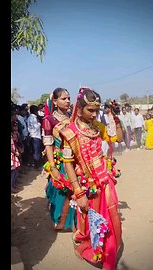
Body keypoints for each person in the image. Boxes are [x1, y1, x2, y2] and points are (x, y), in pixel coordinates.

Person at [60, 88, 122, 270]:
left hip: (106, 183)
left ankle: (109, 257)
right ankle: (92, 248)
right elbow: (68, 163)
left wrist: (116, 121)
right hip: (88, 186)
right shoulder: (69, 133)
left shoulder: (97, 128)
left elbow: (117, 138)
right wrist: (78, 192)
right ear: (79, 109)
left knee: (110, 221)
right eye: (90, 110)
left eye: (97, 110)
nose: (95, 115)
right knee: (91, 222)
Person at [41, 87, 77, 231]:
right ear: (55, 101)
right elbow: (48, 145)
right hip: (58, 161)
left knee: (75, 190)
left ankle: (71, 221)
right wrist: (53, 167)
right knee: (59, 192)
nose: (68, 101)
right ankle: (58, 219)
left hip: (73, 161)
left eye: (68, 98)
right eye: (64, 98)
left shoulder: (73, 119)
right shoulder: (49, 120)